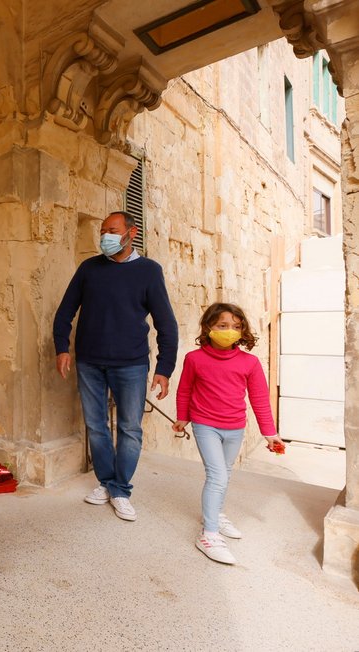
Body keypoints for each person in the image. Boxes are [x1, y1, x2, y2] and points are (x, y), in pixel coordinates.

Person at [53, 211, 178, 521]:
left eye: (112, 230)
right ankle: (106, 483)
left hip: (131, 365)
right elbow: (64, 312)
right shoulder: (89, 269)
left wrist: (164, 368)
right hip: (90, 363)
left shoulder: (149, 271)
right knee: (96, 427)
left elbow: (166, 323)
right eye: (102, 230)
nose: (105, 235)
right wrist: (62, 348)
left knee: (130, 429)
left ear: (130, 233)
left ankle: (121, 489)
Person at [172, 303, 284, 565]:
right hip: (205, 424)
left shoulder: (250, 363)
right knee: (217, 475)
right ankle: (209, 535)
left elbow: (259, 399)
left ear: (243, 330)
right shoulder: (194, 359)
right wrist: (182, 417)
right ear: (209, 328)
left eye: (236, 326)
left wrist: (270, 433)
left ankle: (216, 513)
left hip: (235, 427)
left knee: (225, 472)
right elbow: (185, 390)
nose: (229, 331)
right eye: (222, 326)